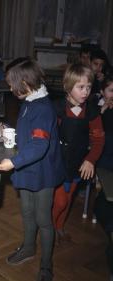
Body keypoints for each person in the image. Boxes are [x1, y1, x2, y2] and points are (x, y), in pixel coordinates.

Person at [0, 59, 64, 281]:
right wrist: (9, 132)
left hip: (42, 173)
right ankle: (29, 247)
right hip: (27, 168)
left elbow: (39, 145)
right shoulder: (29, 102)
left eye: (13, 85)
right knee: (26, 211)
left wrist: (12, 162)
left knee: (43, 219)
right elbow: (30, 135)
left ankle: (46, 265)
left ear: (25, 81)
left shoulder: (42, 108)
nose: (11, 90)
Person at [52, 63, 105, 244]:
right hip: (58, 163)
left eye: (88, 87)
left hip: (78, 164)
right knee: (59, 201)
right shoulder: (57, 108)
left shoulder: (91, 112)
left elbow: (98, 140)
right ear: (68, 86)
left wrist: (90, 160)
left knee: (68, 199)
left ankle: (59, 227)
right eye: (80, 87)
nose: (85, 92)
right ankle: (49, 229)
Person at [96, 74, 113, 170]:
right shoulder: (97, 105)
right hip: (102, 144)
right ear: (102, 92)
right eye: (111, 91)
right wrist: (102, 110)